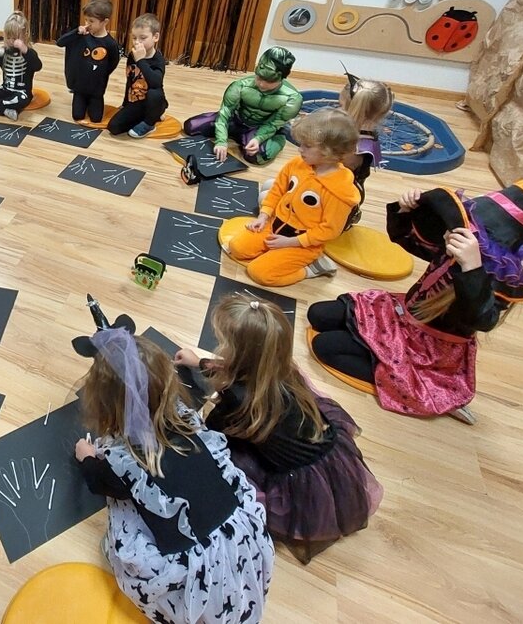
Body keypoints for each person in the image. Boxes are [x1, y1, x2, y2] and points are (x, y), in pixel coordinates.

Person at [307, 155, 523, 423]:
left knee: (325, 346)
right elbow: (409, 242)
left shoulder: (496, 278)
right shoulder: (453, 247)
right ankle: (369, 343)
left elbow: (483, 319)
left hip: (426, 350)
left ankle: (422, 386)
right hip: (398, 317)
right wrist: (404, 212)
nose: (451, 232)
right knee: (319, 314)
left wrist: (472, 269)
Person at [73, 324, 273, 623]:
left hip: (196, 576)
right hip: (239, 544)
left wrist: (87, 457)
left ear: (105, 405)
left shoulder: (123, 464)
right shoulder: (190, 421)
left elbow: (98, 482)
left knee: (123, 523)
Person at [176, 295, 382, 563]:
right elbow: (241, 369)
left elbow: (210, 435)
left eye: (224, 343)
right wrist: (201, 363)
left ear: (239, 353)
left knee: (209, 468)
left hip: (303, 484)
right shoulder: (282, 369)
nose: (220, 348)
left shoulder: (239, 399)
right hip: (330, 457)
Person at [224, 108, 359, 285]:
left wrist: (291, 242)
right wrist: (264, 215)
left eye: (307, 146)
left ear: (329, 152)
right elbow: (278, 190)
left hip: (303, 244)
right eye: (301, 143)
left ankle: (311, 269)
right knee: (236, 248)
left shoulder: (339, 190)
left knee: (259, 273)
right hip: (274, 225)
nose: (300, 149)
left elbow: (329, 230)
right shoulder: (297, 164)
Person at [185, 47, 301, 165]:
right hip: (236, 120)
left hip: (260, 127)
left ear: (282, 78)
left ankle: (278, 138)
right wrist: (221, 141)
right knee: (190, 126)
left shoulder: (292, 99)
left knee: (256, 157)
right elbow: (225, 112)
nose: (262, 84)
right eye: (259, 78)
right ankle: (235, 135)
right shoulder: (241, 86)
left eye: (269, 81)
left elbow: (273, 124)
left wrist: (258, 139)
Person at [338, 70, 394, 228]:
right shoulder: (368, 134)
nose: (337, 109)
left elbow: (331, 176)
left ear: (354, 110)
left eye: (341, 106)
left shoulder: (353, 149)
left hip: (338, 203)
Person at [56, 0, 121, 122]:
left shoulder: (110, 43)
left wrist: (102, 73)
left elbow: (114, 62)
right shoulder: (81, 36)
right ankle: (82, 101)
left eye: (91, 21)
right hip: (79, 88)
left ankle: (91, 102)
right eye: (86, 20)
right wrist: (76, 32)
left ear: (105, 22)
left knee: (96, 119)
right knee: (77, 116)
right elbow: (60, 42)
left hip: (97, 90)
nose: (87, 24)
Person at [108, 13, 167, 138]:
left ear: (155, 37)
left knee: (155, 93)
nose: (137, 42)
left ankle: (150, 122)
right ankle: (152, 115)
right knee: (113, 127)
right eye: (134, 38)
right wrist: (125, 103)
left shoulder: (158, 59)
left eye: (143, 38)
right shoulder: (132, 55)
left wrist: (141, 60)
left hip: (152, 100)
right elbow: (130, 80)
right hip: (136, 101)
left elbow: (155, 83)